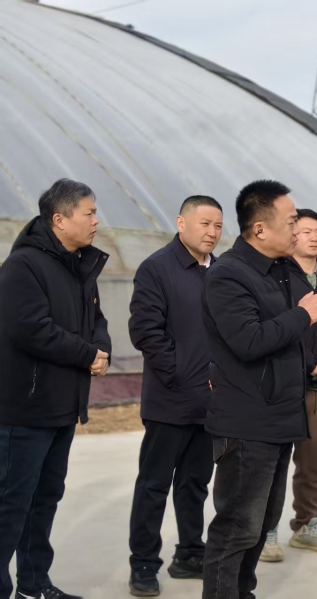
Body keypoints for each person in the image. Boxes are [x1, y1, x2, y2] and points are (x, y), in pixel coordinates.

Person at [201, 180, 317, 599]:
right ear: (260, 229)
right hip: (246, 424)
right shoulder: (229, 275)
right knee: (236, 528)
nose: (298, 230)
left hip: (279, 419)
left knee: (259, 526)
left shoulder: (278, 271)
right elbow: (248, 340)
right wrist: (304, 314)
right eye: (292, 221)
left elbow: (285, 340)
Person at [0, 179, 111, 599]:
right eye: (89, 213)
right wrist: (87, 355)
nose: (96, 221)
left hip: (62, 407)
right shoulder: (24, 266)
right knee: (10, 506)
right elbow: (30, 328)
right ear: (59, 219)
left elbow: (95, 320)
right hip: (24, 411)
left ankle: (33, 586)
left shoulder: (78, 265)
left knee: (44, 500)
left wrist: (101, 350)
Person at [127, 196, 224, 596]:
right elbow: (146, 332)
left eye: (218, 226)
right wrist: (183, 375)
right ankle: (143, 564)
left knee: (195, 484)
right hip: (170, 400)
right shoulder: (157, 268)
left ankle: (189, 554)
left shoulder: (221, 271)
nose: (212, 232)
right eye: (204, 223)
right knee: (154, 485)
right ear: (181, 223)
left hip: (211, 403)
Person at [259, 208, 317, 562]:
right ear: (292, 235)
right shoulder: (277, 274)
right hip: (284, 384)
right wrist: (308, 363)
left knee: (314, 461)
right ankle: (266, 531)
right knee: (274, 461)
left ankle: (305, 525)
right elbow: (277, 327)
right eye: (305, 231)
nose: (314, 237)